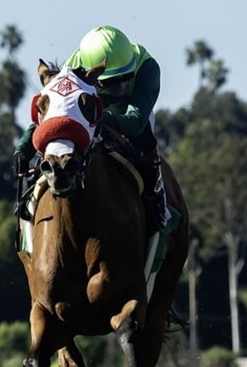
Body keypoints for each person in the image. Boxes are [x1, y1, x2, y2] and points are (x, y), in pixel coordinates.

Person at [15, 25, 168, 233]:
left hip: (130, 113)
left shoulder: (148, 68)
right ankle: (31, 195)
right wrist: (24, 147)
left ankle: (155, 195)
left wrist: (91, 116)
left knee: (145, 139)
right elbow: (51, 115)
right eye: (111, 81)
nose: (121, 86)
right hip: (90, 109)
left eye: (126, 77)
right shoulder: (73, 68)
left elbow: (134, 123)